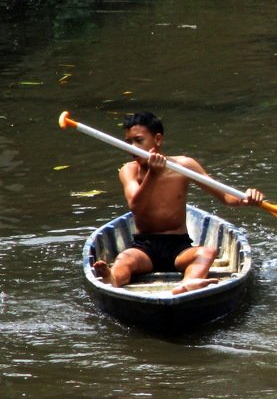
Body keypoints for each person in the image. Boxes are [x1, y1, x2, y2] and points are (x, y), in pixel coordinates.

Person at [92, 112, 264, 295]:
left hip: (179, 246)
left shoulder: (184, 166)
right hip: (145, 247)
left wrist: (246, 198)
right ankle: (113, 280)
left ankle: (188, 283)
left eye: (138, 140)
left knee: (206, 253)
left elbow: (226, 197)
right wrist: (153, 174)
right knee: (124, 259)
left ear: (157, 140)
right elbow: (136, 206)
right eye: (128, 142)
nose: (132, 148)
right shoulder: (129, 170)